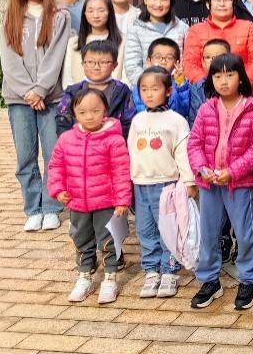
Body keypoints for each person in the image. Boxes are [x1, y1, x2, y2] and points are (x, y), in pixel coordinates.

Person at [187, 54, 253, 311]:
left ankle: (248, 280)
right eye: (217, 75)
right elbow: (194, 143)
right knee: (208, 234)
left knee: (245, 234)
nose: (223, 81)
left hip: (239, 184)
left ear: (240, 77)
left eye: (229, 75)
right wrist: (202, 169)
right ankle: (210, 280)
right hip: (209, 184)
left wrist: (232, 172)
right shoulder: (206, 108)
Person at [0, 0, 71, 232]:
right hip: (19, 99)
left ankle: (51, 207)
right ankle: (32, 208)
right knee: (25, 156)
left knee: (53, 154)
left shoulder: (59, 16)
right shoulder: (10, 16)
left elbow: (56, 56)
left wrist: (40, 90)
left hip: (51, 98)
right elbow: (9, 59)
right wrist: (28, 92)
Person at [47, 87, 131, 304]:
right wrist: (58, 189)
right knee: (80, 238)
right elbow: (56, 166)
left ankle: (110, 276)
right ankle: (84, 275)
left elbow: (121, 171)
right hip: (77, 202)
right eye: (82, 112)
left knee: (109, 239)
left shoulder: (114, 140)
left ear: (105, 110)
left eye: (95, 111)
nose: (89, 116)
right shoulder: (66, 139)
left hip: (106, 202)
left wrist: (122, 200)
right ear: (74, 113)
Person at [128, 67, 196, 299]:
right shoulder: (138, 120)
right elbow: (131, 151)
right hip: (141, 184)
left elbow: (183, 153)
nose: (149, 94)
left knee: (168, 230)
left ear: (168, 91)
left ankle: (169, 271)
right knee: (144, 230)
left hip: (167, 184)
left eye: (155, 89)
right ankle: (151, 270)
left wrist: (189, 181)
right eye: (144, 89)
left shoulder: (176, 121)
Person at [183, 0, 253, 85]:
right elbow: (190, 64)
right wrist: (207, 85)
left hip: (241, 88)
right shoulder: (195, 31)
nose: (222, 4)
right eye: (217, 0)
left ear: (234, 4)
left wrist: (242, 82)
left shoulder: (248, 27)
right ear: (208, 4)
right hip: (205, 90)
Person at [56, 40, 137, 140]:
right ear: (83, 64)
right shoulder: (73, 91)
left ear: (115, 65)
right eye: (90, 62)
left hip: (111, 144)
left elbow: (129, 122)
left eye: (103, 62)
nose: (96, 67)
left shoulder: (122, 91)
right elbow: (63, 120)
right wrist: (69, 142)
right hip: (79, 144)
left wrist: (118, 142)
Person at [124, 0, 189, 88]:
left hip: (177, 89)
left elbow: (187, 62)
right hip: (147, 90)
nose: (158, 4)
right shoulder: (135, 30)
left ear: (171, 1)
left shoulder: (182, 28)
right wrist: (151, 85)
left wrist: (177, 84)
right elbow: (132, 67)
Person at [63, 0, 125, 84]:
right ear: (84, 13)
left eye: (101, 10)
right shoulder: (74, 42)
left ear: (110, 12)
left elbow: (126, 77)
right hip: (79, 92)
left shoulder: (123, 41)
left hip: (115, 91)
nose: (95, 15)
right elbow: (67, 79)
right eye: (90, 11)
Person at [132, 38, 192, 117]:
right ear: (148, 61)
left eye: (169, 58)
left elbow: (183, 111)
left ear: (177, 62)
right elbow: (141, 111)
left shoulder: (180, 84)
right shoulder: (141, 85)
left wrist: (180, 83)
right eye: (158, 57)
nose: (163, 62)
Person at [188, 39, 231, 127]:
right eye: (208, 57)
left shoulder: (236, 85)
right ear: (203, 62)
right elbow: (193, 120)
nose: (212, 60)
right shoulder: (196, 88)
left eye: (218, 56)